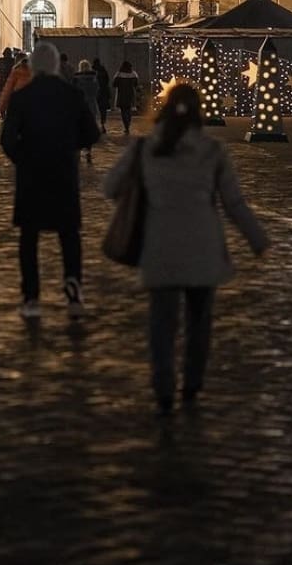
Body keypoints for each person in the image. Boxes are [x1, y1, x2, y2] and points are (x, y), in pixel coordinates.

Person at [103, 83, 269, 415]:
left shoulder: (144, 148)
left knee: (162, 325)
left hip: (160, 245)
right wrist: (258, 240)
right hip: (203, 247)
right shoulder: (213, 151)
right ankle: (192, 383)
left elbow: (110, 187)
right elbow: (234, 204)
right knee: (199, 322)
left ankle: (163, 387)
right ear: (199, 113)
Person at [1, 43, 100, 318]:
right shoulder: (72, 95)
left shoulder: (22, 98)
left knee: (29, 237)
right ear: (56, 65)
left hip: (31, 174)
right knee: (68, 234)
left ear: (33, 66)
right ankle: (73, 287)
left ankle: (31, 296)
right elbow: (92, 134)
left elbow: (7, 140)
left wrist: (24, 159)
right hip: (63, 172)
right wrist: (70, 148)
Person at [73, 60, 101, 163]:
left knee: (78, 128)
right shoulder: (94, 79)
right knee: (89, 127)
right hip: (92, 104)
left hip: (79, 105)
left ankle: (78, 151)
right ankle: (89, 151)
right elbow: (97, 90)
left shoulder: (76, 79)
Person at [112, 59, 141, 135]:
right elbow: (136, 84)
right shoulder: (133, 74)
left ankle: (126, 126)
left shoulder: (119, 74)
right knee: (128, 110)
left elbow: (114, 84)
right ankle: (128, 124)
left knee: (123, 111)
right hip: (130, 94)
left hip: (121, 94)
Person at [92, 57, 111, 132]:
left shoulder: (92, 71)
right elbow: (107, 81)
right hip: (103, 93)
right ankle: (102, 124)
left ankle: (95, 125)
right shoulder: (103, 71)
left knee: (94, 110)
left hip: (95, 93)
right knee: (103, 111)